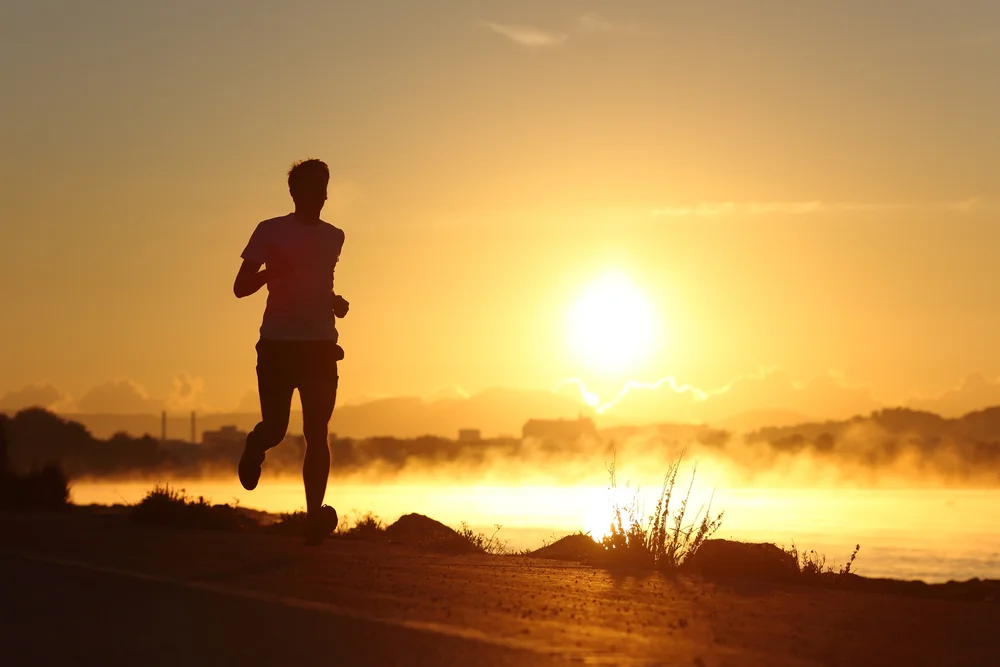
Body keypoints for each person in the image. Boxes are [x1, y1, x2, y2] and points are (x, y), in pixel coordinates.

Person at [233, 158, 349, 544]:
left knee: (317, 431)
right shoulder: (270, 231)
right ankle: (255, 445)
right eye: (312, 186)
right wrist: (272, 272)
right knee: (276, 429)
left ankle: (313, 518)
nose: (320, 194)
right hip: (278, 346)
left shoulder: (335, 236)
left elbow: (318, 282)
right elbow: (240, 286)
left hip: (320, 345)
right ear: (294, 192)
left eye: (324, 186)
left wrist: (334, 302)